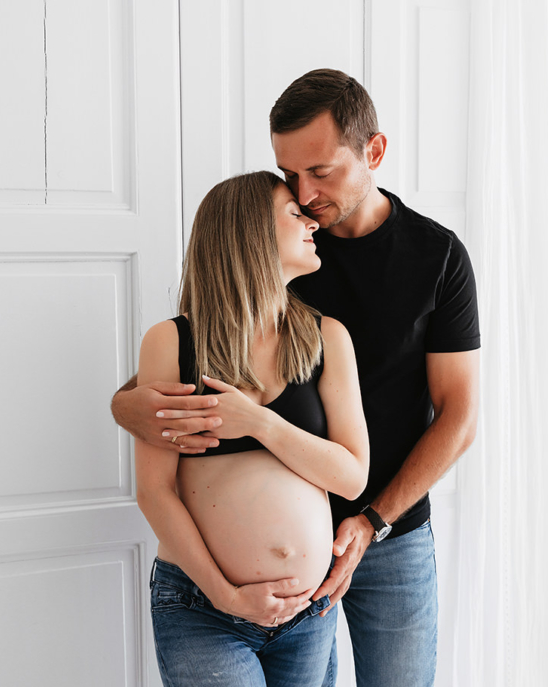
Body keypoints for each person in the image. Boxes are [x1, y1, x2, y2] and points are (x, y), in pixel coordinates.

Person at [116, 69, 480, 687]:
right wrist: (127, 407)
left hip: (388, 532)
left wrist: (371, 522)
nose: (306, 196)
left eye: (321, 171)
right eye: (290, 176)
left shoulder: (436, 256)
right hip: (282, 564)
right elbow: (178, 370)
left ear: (374, 152)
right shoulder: (283, 242)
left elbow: (459, 416)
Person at [134, 170, 370, 686]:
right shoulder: (171, 345)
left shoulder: (327, 338)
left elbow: (351, 477)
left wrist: (259, 422)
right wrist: (228, 596)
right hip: (203, 608)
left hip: (307, 615)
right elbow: (154, 491)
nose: (311, 220)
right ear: (251, 234)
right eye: (294, 213)